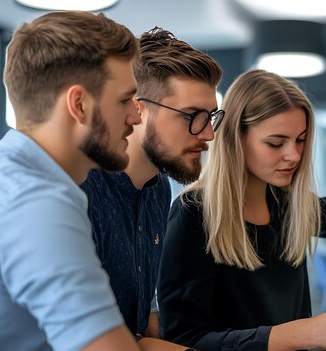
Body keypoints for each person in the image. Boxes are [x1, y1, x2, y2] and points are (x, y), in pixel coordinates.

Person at [157, 69, 326, 351]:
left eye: (300, 140)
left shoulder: (284, 202)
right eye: (276, 143)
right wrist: (305, 333)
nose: (293, 155)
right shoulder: (192, 213)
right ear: (236, 139)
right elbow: (185, 341)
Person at [0, 11, 145, 350]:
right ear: (79, 104)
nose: (136, 115)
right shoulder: (37, 206)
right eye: (124, 100)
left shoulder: (2, 177)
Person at [81, 27, 223, 340]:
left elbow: (137, 323)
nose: (208, 134)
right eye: (192, 116)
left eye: (211, 116)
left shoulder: (159, 188)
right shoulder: (80, 191)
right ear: (137, 108)